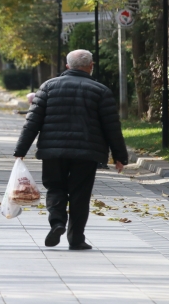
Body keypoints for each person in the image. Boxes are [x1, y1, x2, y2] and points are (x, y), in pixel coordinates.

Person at [13, 49, 128, 251]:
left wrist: (20, 150)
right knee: (80, 194)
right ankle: (76, 239)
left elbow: (32, 122)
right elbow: (112, 126)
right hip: (87, 153)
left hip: (53, 152)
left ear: (67, 66)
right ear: (91, 66)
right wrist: (120, 156)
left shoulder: (48, 87)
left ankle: (57, 222)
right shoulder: (101, 91)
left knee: (55, 188)